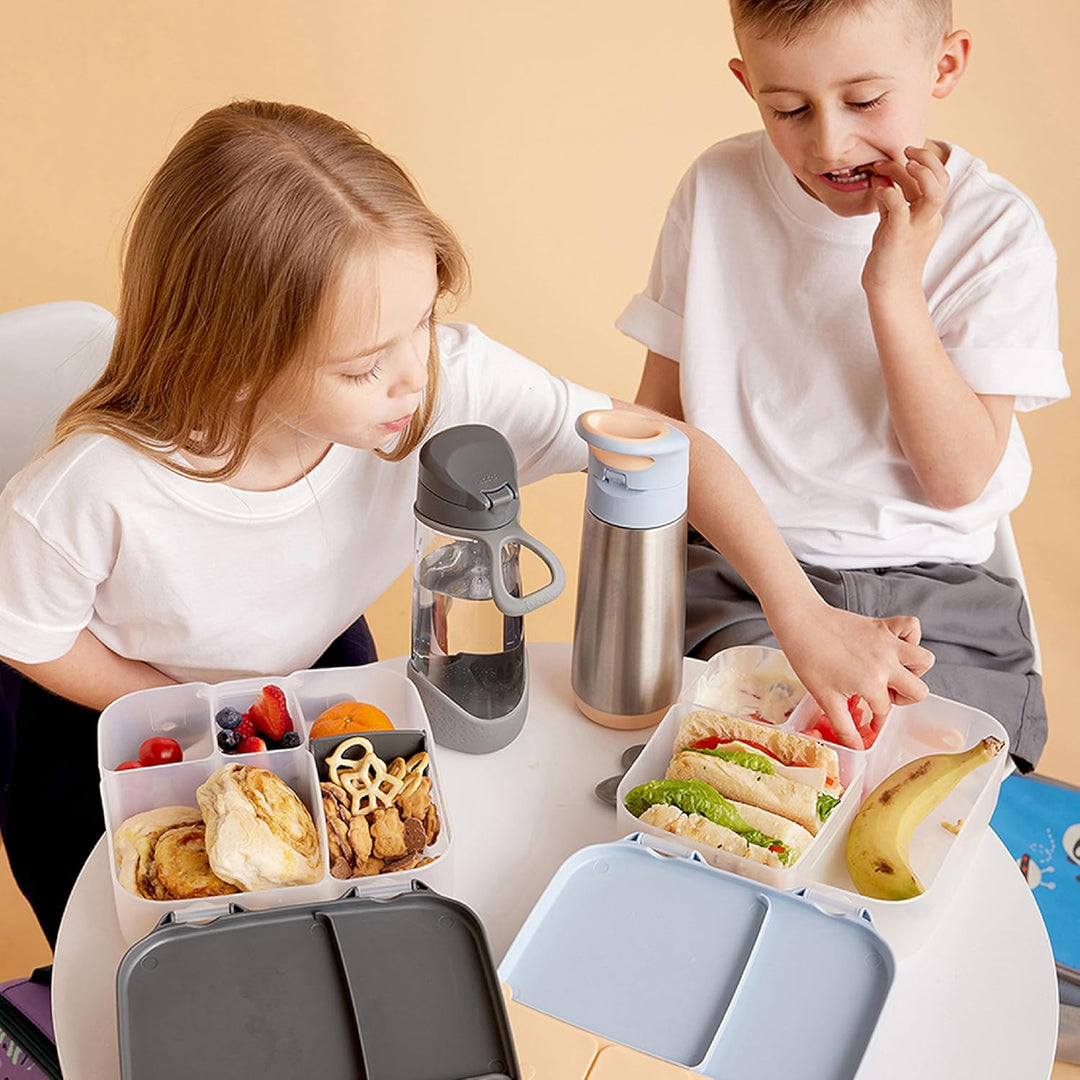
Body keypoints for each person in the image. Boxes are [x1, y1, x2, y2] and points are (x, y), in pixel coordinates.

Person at [0, 99, 930, 944]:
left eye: (423, 319)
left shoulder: (439, 383)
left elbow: (669, 449)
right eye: (363, 366)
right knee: (163, 953)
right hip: (113, 728)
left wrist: (803, 615)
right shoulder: (89, 493)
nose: (415, 376)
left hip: (305, 675)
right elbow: (28, 637)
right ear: (232, 360)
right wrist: (183, 706)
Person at [620, 0, 1069, 772]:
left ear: (945, 66)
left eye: (864, 101)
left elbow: (957, 478)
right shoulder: (717, 189)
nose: (829, 143)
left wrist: (893, 286)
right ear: (747, 84)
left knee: (937, 796)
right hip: (750, 577)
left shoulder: (999, 231)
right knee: (759, 781)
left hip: (945, 595)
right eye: (788, 109)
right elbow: (656, 429)